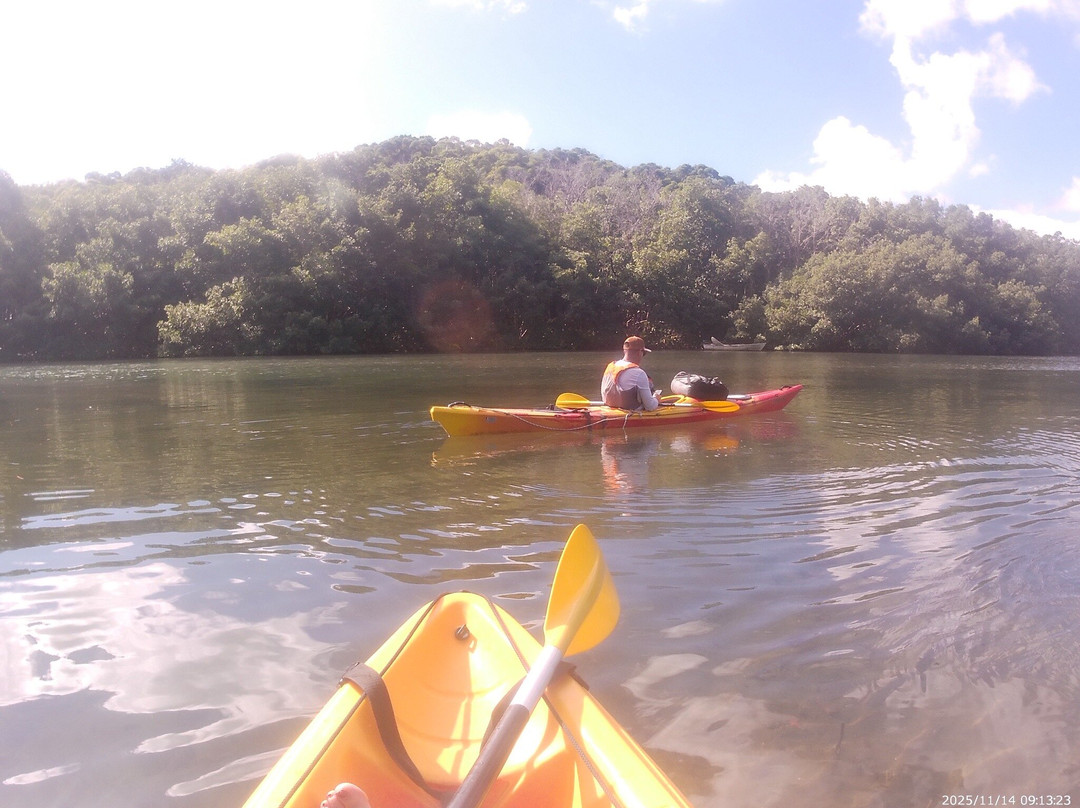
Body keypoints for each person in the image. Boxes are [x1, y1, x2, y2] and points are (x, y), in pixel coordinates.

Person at [601, 336, 660, 411]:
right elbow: (650, 407)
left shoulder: (609, 367)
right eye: (644, 353)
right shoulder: (639, 373)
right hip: (631, 414)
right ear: (639, 353)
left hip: (609, 410)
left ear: (624, 351)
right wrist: (656, 399)